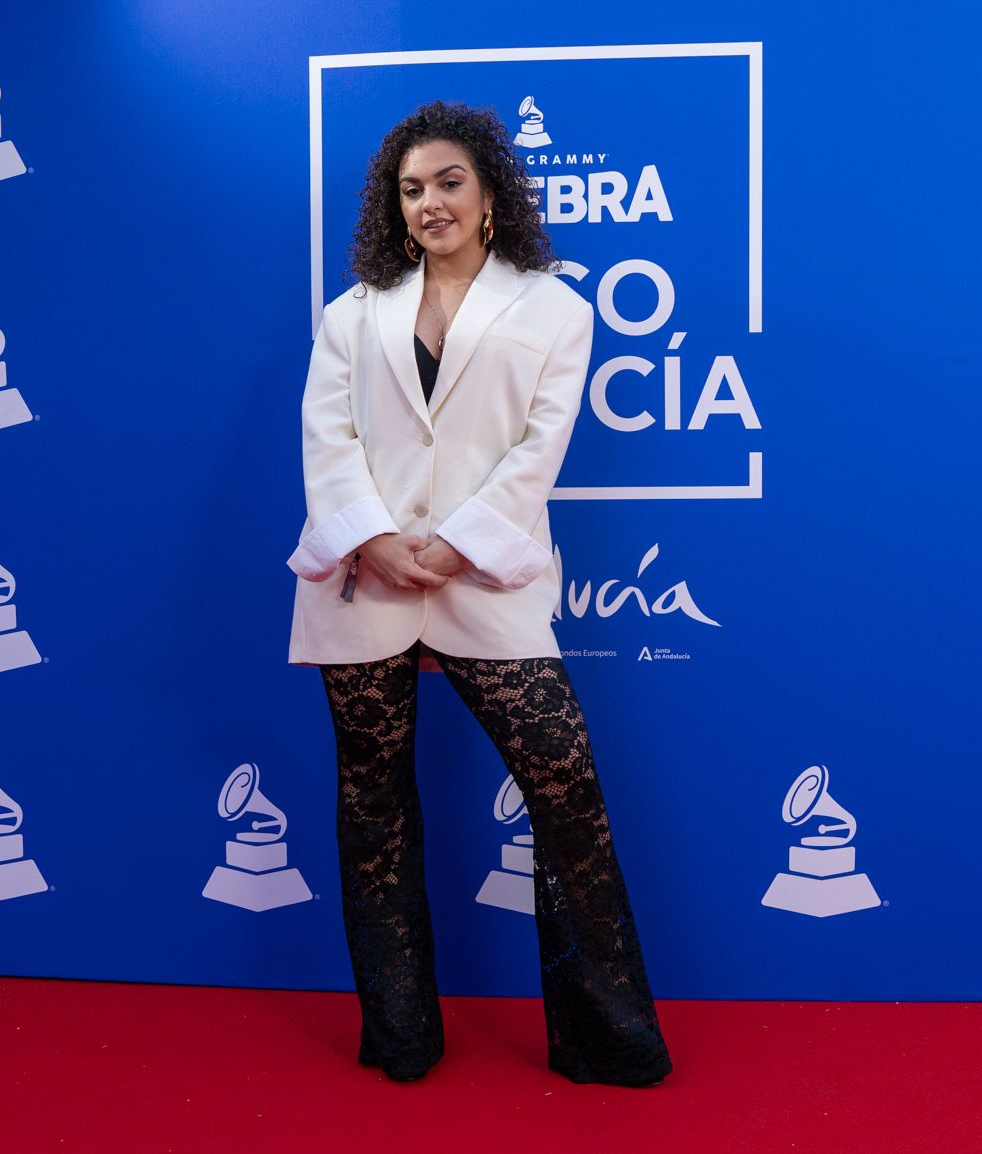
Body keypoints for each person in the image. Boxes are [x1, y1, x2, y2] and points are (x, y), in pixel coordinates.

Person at [287, 101, 672, 1087]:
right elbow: (327, 441)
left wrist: (450, 548)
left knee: (565, 785)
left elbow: (536, 451)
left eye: (448, 181)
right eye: (411, 188)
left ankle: (604, 1037)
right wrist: (373, 538)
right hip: (362, 577)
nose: (430, 202)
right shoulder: (350, 315)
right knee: (372, 802)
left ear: (492, 194)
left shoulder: (555, 309)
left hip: (486, 575)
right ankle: (402, 1037)